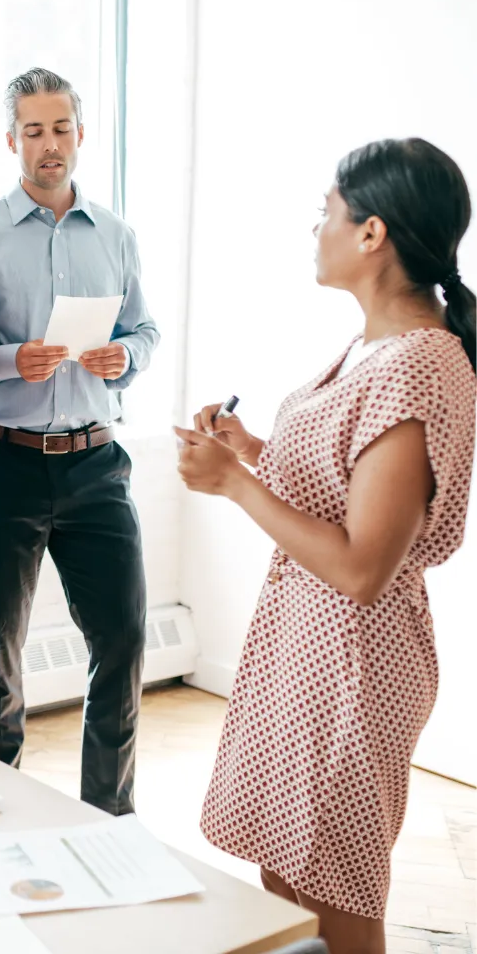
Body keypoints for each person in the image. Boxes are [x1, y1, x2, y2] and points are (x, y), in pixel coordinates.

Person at [176, 138, 476, 954]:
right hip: (310, 651)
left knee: (331, 892)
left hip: (354, 664)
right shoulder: (380, 348)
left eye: (327, 214)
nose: (317, 230)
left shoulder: (417, 365)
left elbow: (361, 565)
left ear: (372, 233)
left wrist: (237, 487)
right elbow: (345, 491)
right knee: (289, 877)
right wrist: (250, 450)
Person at [0, 68, 160, 814]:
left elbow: (145, 329)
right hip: (5, 465)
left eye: (61, 128)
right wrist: (13, 360)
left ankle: (109, 815)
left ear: (80, 133)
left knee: (124, 639)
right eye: (34, 131)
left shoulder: (116, 234)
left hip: (98, 464)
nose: (49, 144)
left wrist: (126, 356)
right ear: (12, 139)